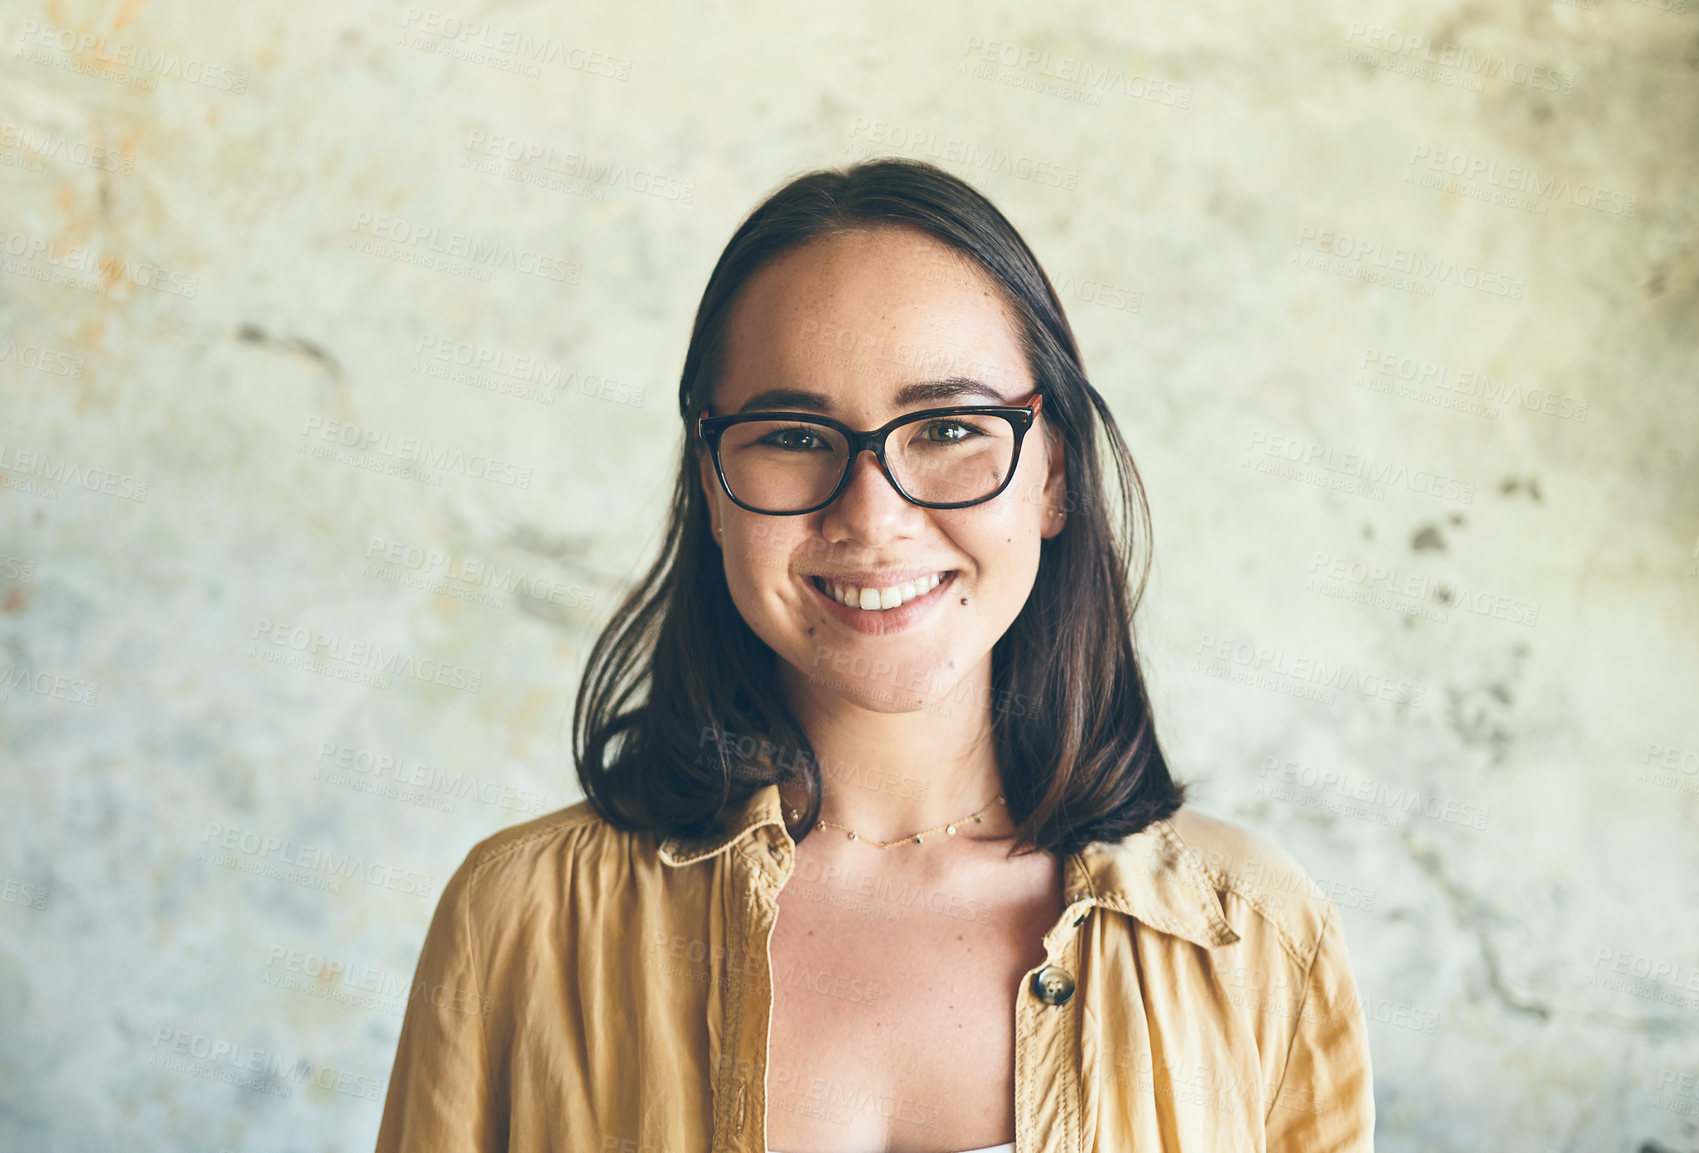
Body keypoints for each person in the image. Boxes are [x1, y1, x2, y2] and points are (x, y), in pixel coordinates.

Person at [375, 158, 1376, 1153]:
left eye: (948, 427)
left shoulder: (1252, 936)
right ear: (712, 487)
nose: (875, 516)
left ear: (1053, 475)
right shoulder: (520, 920)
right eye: (795, 434)